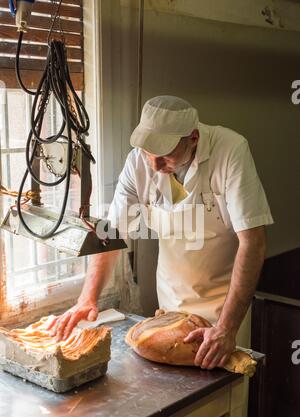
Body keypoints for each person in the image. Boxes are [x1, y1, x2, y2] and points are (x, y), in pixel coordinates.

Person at [48, 95, 273, 370]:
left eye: (165, 155)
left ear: (193, 137)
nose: (154, 166)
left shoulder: (231, 151)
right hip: (168, 313)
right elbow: (112, 233)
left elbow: (253, 243)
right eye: (148, 153)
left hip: (224, 314)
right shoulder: (139, 162)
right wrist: (87, 298)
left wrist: (226, 328)